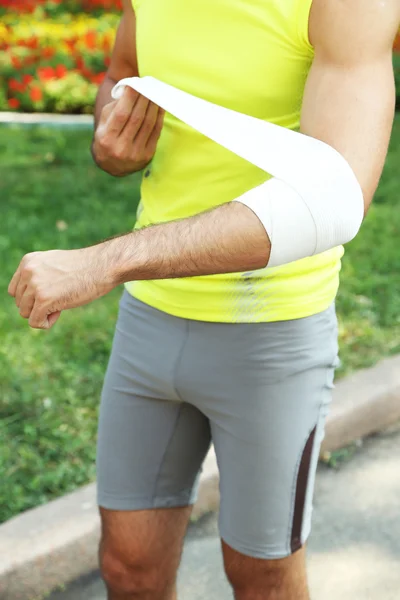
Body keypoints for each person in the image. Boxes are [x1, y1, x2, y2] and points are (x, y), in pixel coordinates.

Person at [8, 0, 400, 598]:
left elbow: (333, 196)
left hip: (271, 333)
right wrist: (113, 132)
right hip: (150, 320)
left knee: (261, 577)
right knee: (125, 567)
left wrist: (105, 261)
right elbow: (121, 69)